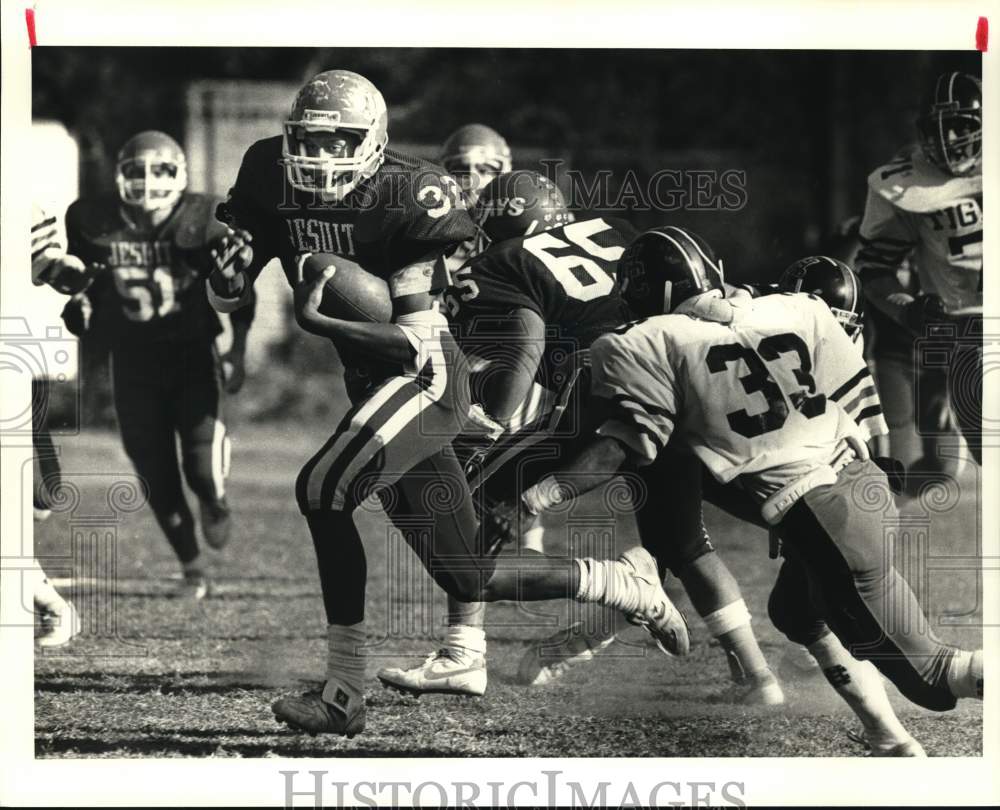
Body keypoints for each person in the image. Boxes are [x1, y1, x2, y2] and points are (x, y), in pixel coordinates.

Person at [208, 72, 689, 739]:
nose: (320, 157)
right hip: (371, 385)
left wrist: (327, 325)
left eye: (338, 141)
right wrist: (227, 275)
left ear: (372, 141)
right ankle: (618, 584)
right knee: (472, 570)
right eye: (308, 141)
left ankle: (342, 692)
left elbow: (412, 342)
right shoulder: (266, 169)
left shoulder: (414, 195)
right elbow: (236, 272)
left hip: (425, 382)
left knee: (321, 489)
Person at [486, 232, 983, 754]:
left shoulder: (640, 341)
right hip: (862, 488)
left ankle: (907, 716)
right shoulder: (799, 309)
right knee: (795, 612)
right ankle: (888, 738)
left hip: (820, 515)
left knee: (933, 676)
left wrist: (532, 499)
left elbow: (627, 448)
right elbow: (858, 409)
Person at [378, 187, 782, 708]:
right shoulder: (612, 228)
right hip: (689, 379)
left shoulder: (499, 264)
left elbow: (525, 343)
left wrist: (494, 419)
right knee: (681, 539)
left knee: (473, 503)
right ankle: (757, 675)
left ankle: (466, 651)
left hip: (609, 386)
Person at [59, 131, 253, 600]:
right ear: (119, 175)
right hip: (132, 360)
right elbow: (83, 284)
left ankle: (214, 499)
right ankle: (192, 569)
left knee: (201, 468)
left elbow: (239, 290)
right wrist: (79, 306)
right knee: (154, 469)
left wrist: (238, 348)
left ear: (181, 175)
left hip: (191, 357)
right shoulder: (91, 219)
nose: (147, 181)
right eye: (137, 170)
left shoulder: (207, 217)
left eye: (161, 170)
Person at [856, 71, 983, 465]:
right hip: (968, 333)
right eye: (939, 129)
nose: (949, 140)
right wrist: (906, 308)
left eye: (961, 126)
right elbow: (875, 269)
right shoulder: (910, 184)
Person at [30, 203, 86, 645]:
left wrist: (68, 273)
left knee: (38, 494)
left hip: (11, 368)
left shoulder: (15, 198)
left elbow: (47, 264)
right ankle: (49, 604)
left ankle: (47, 603)